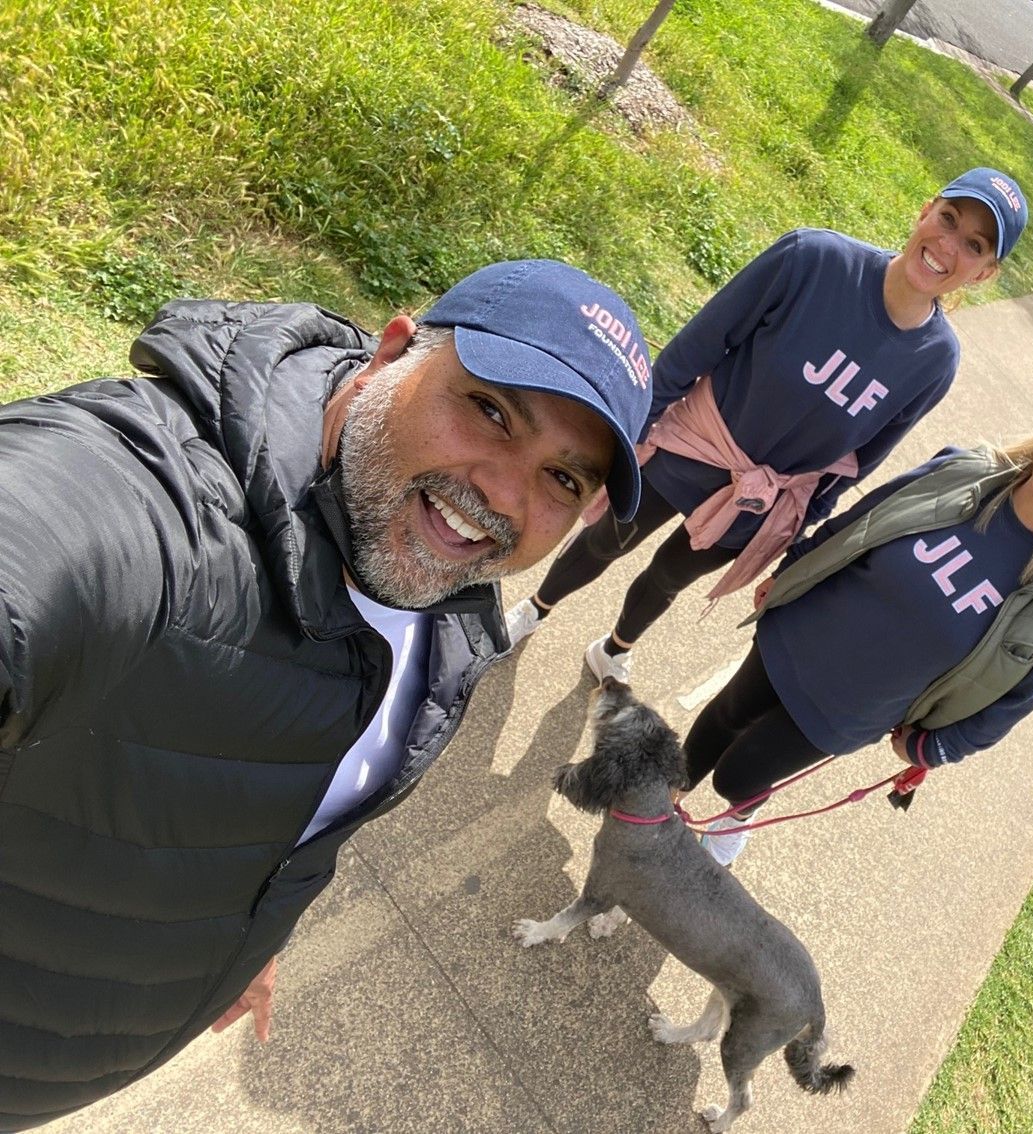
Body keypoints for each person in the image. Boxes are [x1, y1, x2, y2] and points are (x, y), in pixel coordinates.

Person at [0, 260, 653, 1130]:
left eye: (563, 480)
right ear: (388, 355)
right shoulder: (150, 509)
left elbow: (309, 810)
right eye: (491, 411)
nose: (503, 492)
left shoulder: (448, 610)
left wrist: (248, 939)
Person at [502, 168, 1030, 683]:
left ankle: (613, 650)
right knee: (606, 539)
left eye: (976, 245)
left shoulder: (935, 360)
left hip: (760, 501)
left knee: (667, 579)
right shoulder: (814, 259)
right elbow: (703, 341)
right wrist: (641, 421)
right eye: (948, 217)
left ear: (984, 274)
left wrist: (797, 528)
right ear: (924, 212)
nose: (949, 243)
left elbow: (858, 460)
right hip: (695, 444)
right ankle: (536, 608)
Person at [681, 391, 1033, 865]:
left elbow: (1015, 702)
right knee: (723, 717)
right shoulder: (961, 470)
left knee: (738, 777)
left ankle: (733, 823)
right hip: (799, 632)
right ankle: (652, 806)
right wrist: (795, 566)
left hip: (850, 710)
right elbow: (864, 518)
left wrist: (940, 745)